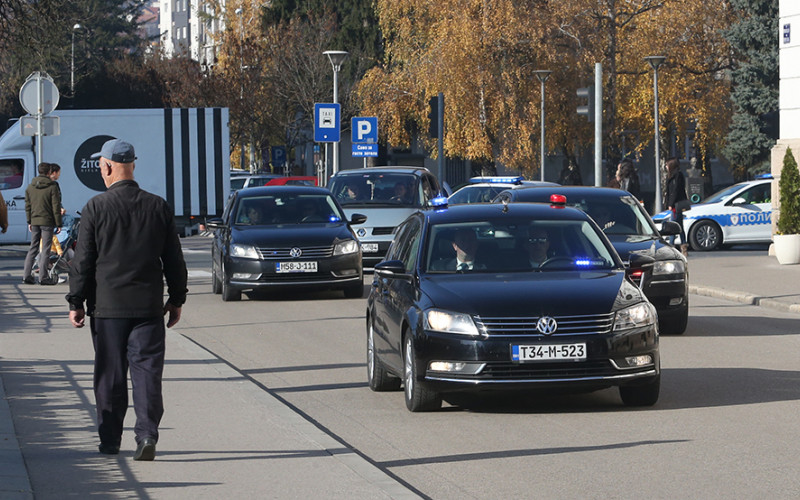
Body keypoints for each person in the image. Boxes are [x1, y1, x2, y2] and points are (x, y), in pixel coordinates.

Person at [65, 139, 187, 461]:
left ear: (106, 167)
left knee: (110, 375)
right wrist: (176, 299)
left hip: (107, 308)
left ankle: (109, 440)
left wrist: (76, 302)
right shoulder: (157, 206)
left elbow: (83, 260)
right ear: (133, 165)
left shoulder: (95, 207)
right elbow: (174, 259)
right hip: (148, 307)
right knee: (147, 373)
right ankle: (146, 435)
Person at [23, 162, 62, 285]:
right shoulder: (52, 187)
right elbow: (55, 206)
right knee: (45, 249)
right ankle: (43, 277)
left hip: (34, 221)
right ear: (49, 172)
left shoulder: (30, 187)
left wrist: (29, 221)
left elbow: (27, 206)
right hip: (47, 221)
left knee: (33, 247)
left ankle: (26, 275)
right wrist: (58, 223)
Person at [664, 157, 690, 256]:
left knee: (672, 227)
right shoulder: (671, 176)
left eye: (667, 165)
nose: (666, 166)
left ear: (671, 165)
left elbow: (675, 191)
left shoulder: (677, 176)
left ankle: (671, 247)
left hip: (676, 205)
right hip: (675, 205)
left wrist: (670, 204)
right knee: (679, 227)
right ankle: (683, 246)